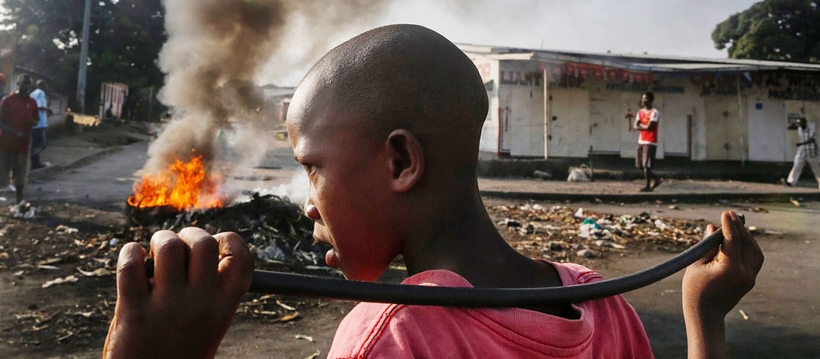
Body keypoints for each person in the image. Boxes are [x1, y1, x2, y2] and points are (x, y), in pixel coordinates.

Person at [102, 25, 763, 358]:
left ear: (399, 161)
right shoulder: (602, 305)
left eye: (313, 167)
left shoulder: (392, 336)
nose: (307, 202)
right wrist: (703, 315)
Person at [0, 74, 40, 204]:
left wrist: (32, 122)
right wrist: (15, 132)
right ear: (18, 84)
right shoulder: (7, 100)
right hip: (5, 144)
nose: (26, 87)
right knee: (2, 174)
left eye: (29, 84)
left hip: (23, 145)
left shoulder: (32, 103)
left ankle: (19, 202)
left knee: (20, 175)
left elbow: (36, 120)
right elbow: (1, 122)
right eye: (24, 84)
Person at [634, 91, 661, 192]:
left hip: (650, 142)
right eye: (642, 98)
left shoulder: (655, 112)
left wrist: (641, 126)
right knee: (639, 164)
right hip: (641, 141)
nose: (643, 101)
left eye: (646, 99)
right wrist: (643, 126)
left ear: (651, 100)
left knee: (646, 165)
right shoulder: (640, 112)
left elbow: (650, 126)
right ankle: (656, 179)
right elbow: (635, 125)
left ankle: (647, 186)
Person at [785, 117, 820, 188]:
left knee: (816, 170)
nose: (799, 124)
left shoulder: (811, 129)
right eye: (798, 123)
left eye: (800, 123)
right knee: (796, 166)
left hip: (812, 153)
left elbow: (812, 140)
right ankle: (791, 182)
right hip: (802, 152)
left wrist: (801, 144)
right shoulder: (799, 129)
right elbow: (792, 127)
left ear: (805, 123)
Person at [30, 79, 52, 169]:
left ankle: (35, 163)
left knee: (36, 143)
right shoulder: (41, 93)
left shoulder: (32, 94)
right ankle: (31, 155)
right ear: (43, 86)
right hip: (41, 123)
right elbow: (40, 106)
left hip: (34, 122)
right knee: (43, 144)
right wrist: (48, 110)